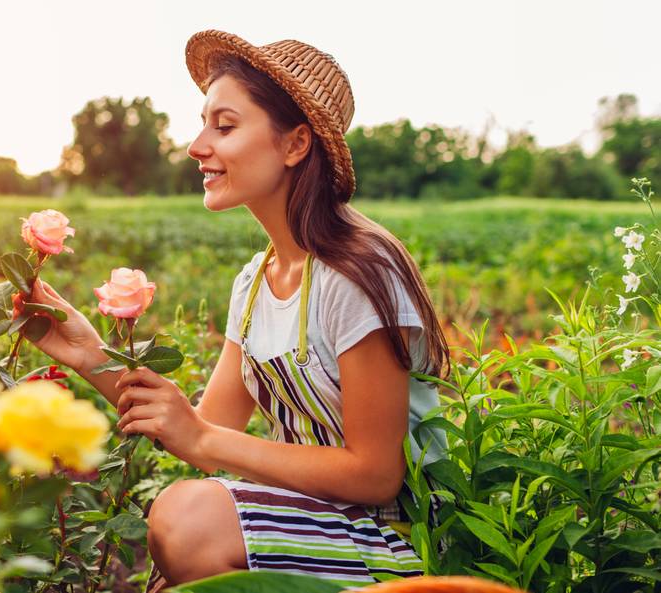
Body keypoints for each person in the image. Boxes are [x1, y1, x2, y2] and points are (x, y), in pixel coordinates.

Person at [23, 29, 450, 591]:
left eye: (223, 126)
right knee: (190, 518)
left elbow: (375, 473)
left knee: (192, 521)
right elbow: (209, 430)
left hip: (393, 541)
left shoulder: (357, 272)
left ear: (296, 145)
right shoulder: (254, 283)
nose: (198, 146)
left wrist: (201, 439)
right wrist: (89, 354)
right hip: (308, 523)